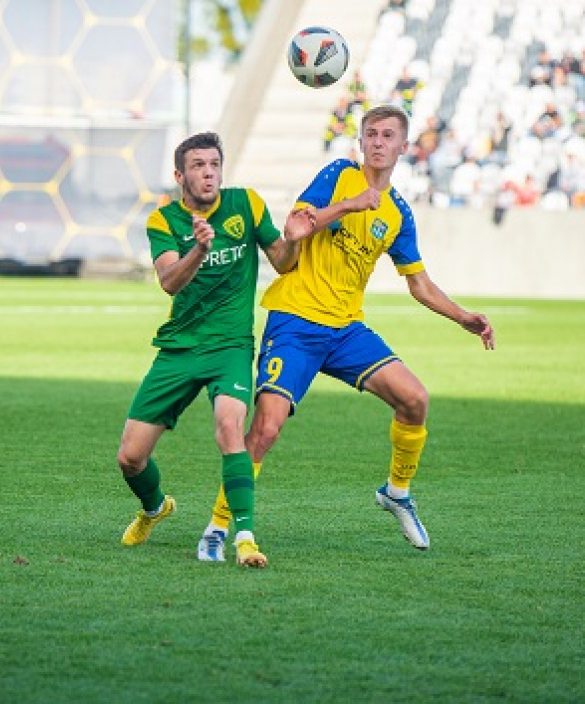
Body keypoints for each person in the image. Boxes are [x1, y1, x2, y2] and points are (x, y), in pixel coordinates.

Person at [196, 104, 495, 560]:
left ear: (403, 147)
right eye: (371, 134)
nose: (378, 142)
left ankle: (396, 492)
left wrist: (462, 317)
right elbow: (296, 225)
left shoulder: (397, 214)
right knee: (267, 428)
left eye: (387, 135)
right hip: (295, 321)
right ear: (361, 143)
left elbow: (419, 283)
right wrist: (351, 205)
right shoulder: (338, 175)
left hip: (344, 329)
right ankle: (218, 528)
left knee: (414, 399)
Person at [116, 131, 315, 568]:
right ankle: (155, 509)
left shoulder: (247, 204)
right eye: (198, 166)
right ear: (179, 175)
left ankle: (244, 537)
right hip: (180, 348)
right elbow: (169, 281)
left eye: (214, 165)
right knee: (130, 457)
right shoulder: (163, 220)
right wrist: (200, 249)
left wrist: (296, 239)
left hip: (230, 345)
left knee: (230, 426)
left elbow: (282, 261)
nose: (208, 173)